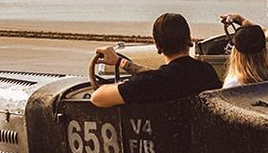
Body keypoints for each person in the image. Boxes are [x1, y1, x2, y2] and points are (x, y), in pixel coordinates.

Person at [91, 12, 221, 108]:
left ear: (157, 45)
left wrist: (119, 85)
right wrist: (120, 62)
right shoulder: (206, 71)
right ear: (189, 40)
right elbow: (170, 75)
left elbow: (97, 98)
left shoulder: (151, 83)